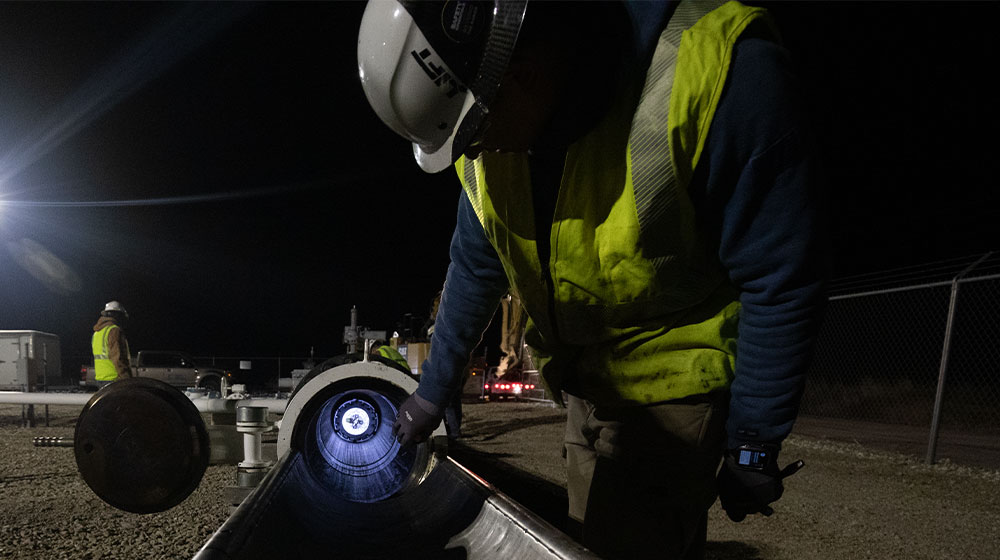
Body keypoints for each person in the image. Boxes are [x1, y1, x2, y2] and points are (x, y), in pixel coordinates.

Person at [360, 1, 827, 557]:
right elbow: (477, 263)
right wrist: (432, 393)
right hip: (587, 382)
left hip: (674, 387)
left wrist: (752, 441)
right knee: (584, 539)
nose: (475, 153)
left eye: (474, 132)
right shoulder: (500, 135)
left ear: (523, 77)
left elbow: (781, 275)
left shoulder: (715, 75)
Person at [92, 301, 133, 387]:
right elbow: (118, 357)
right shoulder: (114, 330)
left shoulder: (97, 332)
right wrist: (126, 379)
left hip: (100, 378)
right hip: (114, 379)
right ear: (117, 315)